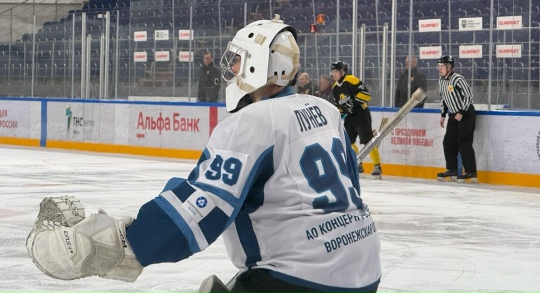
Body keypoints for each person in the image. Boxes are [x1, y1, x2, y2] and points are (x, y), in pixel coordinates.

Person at [26, 17, 381, 293]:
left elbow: (199, 210)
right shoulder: (326, 110)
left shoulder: (252, 122)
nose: (234, 69)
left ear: (260, 64)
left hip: (303, 278)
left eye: (239, 60)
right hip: (364, 269)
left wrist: (120, 245)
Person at [331, 61, 383, 179]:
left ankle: (377, 165)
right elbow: (339, 106)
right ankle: (358, 162)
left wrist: (353, 103)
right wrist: (340, 112)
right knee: (349, 142)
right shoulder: (335, 88)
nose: (333, 74)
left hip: (361, 114)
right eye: (332, 71)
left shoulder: (351, 80)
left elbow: (366, 94)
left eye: (336, 71)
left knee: (367, 140)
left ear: (342, 72)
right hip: (349, 117)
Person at [436, 55, 478, 183]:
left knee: (463, 142)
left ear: (449, 67)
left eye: (442, 66)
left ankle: (471, 172)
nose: (440, 68)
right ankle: (452, 169)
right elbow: (443, 99)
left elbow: (468, 96)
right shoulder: (441, 81)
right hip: (453, 114)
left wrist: (461, 112)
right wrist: (443, 115)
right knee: (448, 142)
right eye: (439, 66)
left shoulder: (457, 79)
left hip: (466, 114)